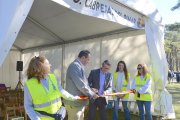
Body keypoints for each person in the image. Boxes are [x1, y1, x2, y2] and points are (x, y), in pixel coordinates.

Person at [24, 56, 81, 120]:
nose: (50, 65)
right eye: (47, 64)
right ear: (41, 67)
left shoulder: (52, 77)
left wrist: (73, 98)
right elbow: (28, 107)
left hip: (58, 117)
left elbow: (61, 91)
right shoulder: (29, 85)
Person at [63, 50, 98, 120]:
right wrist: (91, 94)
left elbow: (83, 83)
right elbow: (81, 85)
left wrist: (90, 89)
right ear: (83, 57)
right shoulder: (75, 66)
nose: (88, 62)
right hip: (74, 103)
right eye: (88, 59)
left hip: (77, 103)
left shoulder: (79, 66)